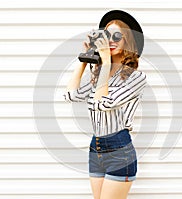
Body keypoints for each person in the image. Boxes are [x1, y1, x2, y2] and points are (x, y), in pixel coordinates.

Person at [63, 10, 147, 199]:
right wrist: (85, 60)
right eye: (106, 36)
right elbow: (70, 95)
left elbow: (103, 103)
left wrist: (106, 62)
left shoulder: (136, 77)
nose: (111, 40)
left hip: (119, 150)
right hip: (96, 147)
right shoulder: (98, 74)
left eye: (118, 36)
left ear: (128, 41)